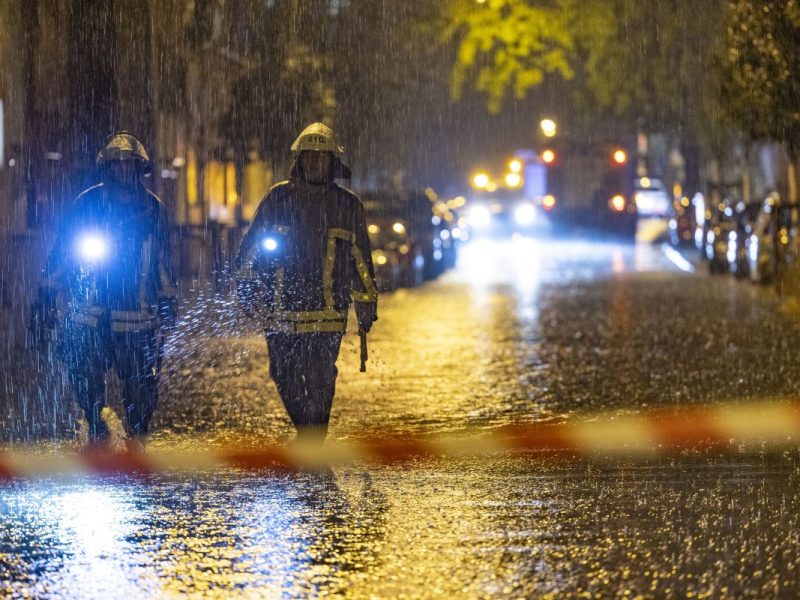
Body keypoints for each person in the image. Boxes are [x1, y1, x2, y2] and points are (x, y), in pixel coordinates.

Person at [31, 131, 177, 450]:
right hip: (89, 315)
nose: (123, 170)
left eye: (128, 164)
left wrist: (168, 303)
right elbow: (63, 252)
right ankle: (96, 424)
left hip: (136, 317)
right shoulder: (87, 204)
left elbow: (162, 261)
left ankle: (137, 438)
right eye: (117, 164)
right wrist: (46, 295)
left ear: (138, 168)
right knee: (84, 376)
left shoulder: (153, 209)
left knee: (141, 386)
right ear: (107, 168)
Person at [235, 123, 378, 440]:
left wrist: (366, 304)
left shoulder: (347, 205)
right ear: (299, 160)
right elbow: (251, 249)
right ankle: (307, 431)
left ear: (331, 162)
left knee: (320, 380)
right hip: (280, 312)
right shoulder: (277, 199)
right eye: (309, 156)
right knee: (283, 376)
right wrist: (245, 288)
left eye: (321, 157)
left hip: (327, 313)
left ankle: (314, 440)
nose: (314, 162)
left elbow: (360, 260)